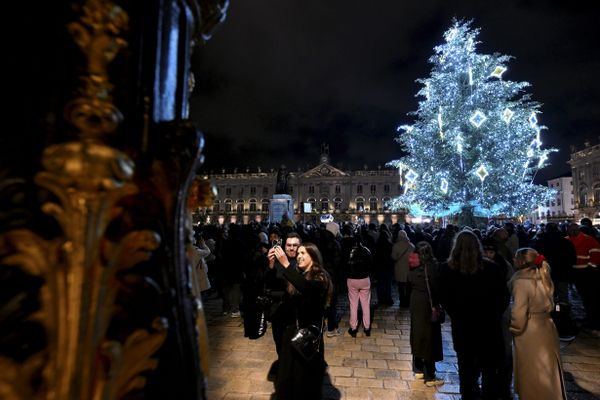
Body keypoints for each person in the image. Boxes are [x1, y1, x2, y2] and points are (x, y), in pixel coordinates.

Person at [439, 230, 510, 400]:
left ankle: (469, 396)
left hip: (463, 326)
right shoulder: (492, 268)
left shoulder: (447, 270)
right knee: (489, 368)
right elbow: (503, 298)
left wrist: (457, 314)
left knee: (466, 367)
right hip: (488, 326)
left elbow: (445, 299)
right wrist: (492, 314)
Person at [270, 243, 332, 400]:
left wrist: (285, 264)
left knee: (307, 382)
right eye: (298, 254)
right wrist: (271, 265)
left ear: (313, 257)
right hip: (292, 334)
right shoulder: (298, 275)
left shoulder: (321, 277)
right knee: (289, 380)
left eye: (303, 253)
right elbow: (279, 290)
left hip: (308, 338)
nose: (298, 256)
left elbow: (308, 289)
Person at [510, 248, 567, 400]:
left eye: (515, 257)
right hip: (547, 327)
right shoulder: (544, 275)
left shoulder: (521, 281)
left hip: (530, 331)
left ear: (521, 261)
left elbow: (519, 311)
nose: (513, 260)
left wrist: (514, 328)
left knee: (532, 371)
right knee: (548, 369)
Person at [265, 232, 302, 381]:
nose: (292, 248)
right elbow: (268, 283)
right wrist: (271, 264)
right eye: (289, 245)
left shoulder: (303, 260)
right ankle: (284, 368)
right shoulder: (278, 261)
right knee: (280, 343)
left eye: (295, 245)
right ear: (283, 245)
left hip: (297, 312)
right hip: (279, 311)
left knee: (296, 345)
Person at [408, 242, 444, 387]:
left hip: (415, 300)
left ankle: (418, 368)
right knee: (430, 337)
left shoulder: (413, 264)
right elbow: (436, 288)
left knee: (417, 333)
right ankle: (430, 375)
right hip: (428, 304)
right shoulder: (431, 267)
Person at [345, 234, 372, 337]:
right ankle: (367, 327)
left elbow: (345, 264)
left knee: (353, 304)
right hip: (365, 278)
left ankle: (353, 328)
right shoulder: (367, 250)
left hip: (352, 279)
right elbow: (371, 264)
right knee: (365, 304)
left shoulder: (348, 251)